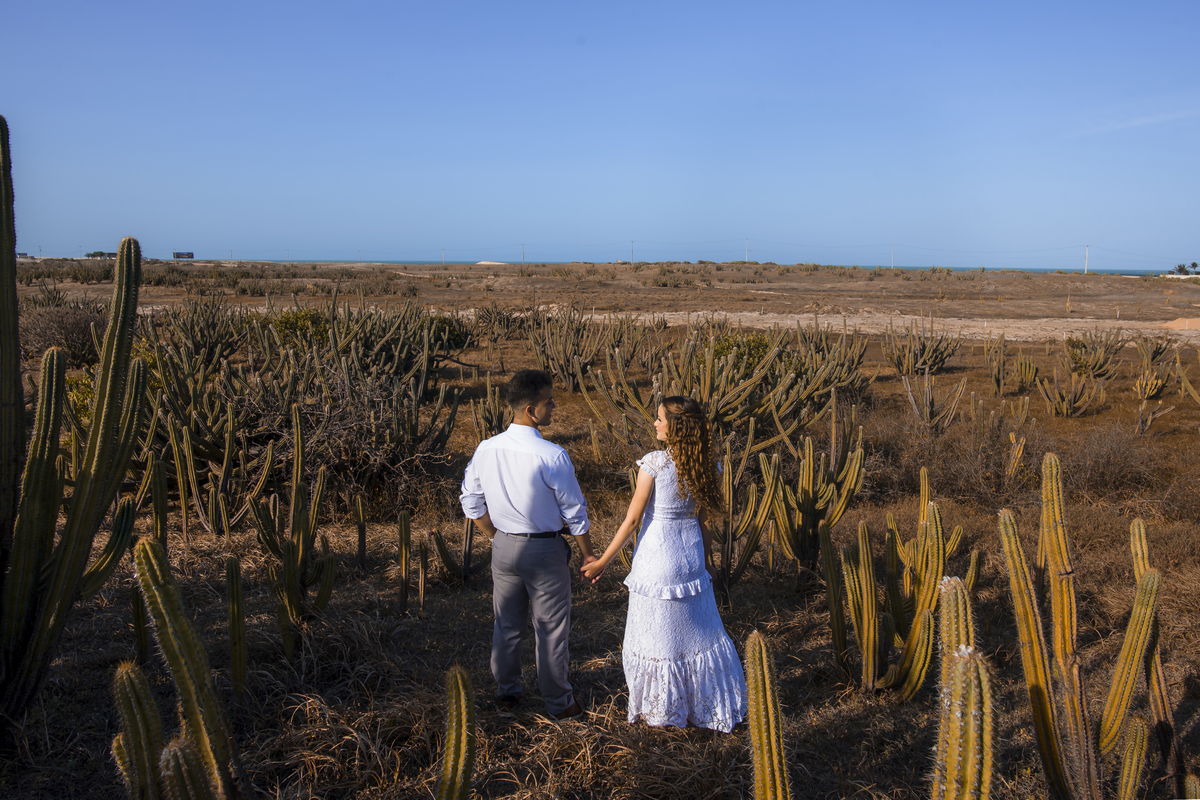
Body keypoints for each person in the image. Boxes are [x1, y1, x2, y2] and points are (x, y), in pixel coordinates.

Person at [581, 396, 747, 732]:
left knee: (656, 636)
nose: (655, 424)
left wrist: (602, 562)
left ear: (676, 426)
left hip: (657, 559)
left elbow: (632, 521)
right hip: (690, 559)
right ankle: (704, 705)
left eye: (660, 419)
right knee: (696, 635)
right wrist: (706, 563)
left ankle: (662, 709)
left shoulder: (655, 464)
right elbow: (705, 523)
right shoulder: (706, 465)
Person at [460, 369, 598, 720]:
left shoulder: (487, 448)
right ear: (531, 410)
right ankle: (559, 702)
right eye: (549, 402)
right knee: (550, 629)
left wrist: (495, 536)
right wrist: (587, 554)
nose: (554, 407)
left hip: (504, 547)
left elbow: (471, 501)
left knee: (506, 624)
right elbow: (575, 512)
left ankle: (507, 692)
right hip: (544, 552)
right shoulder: (551, 455)